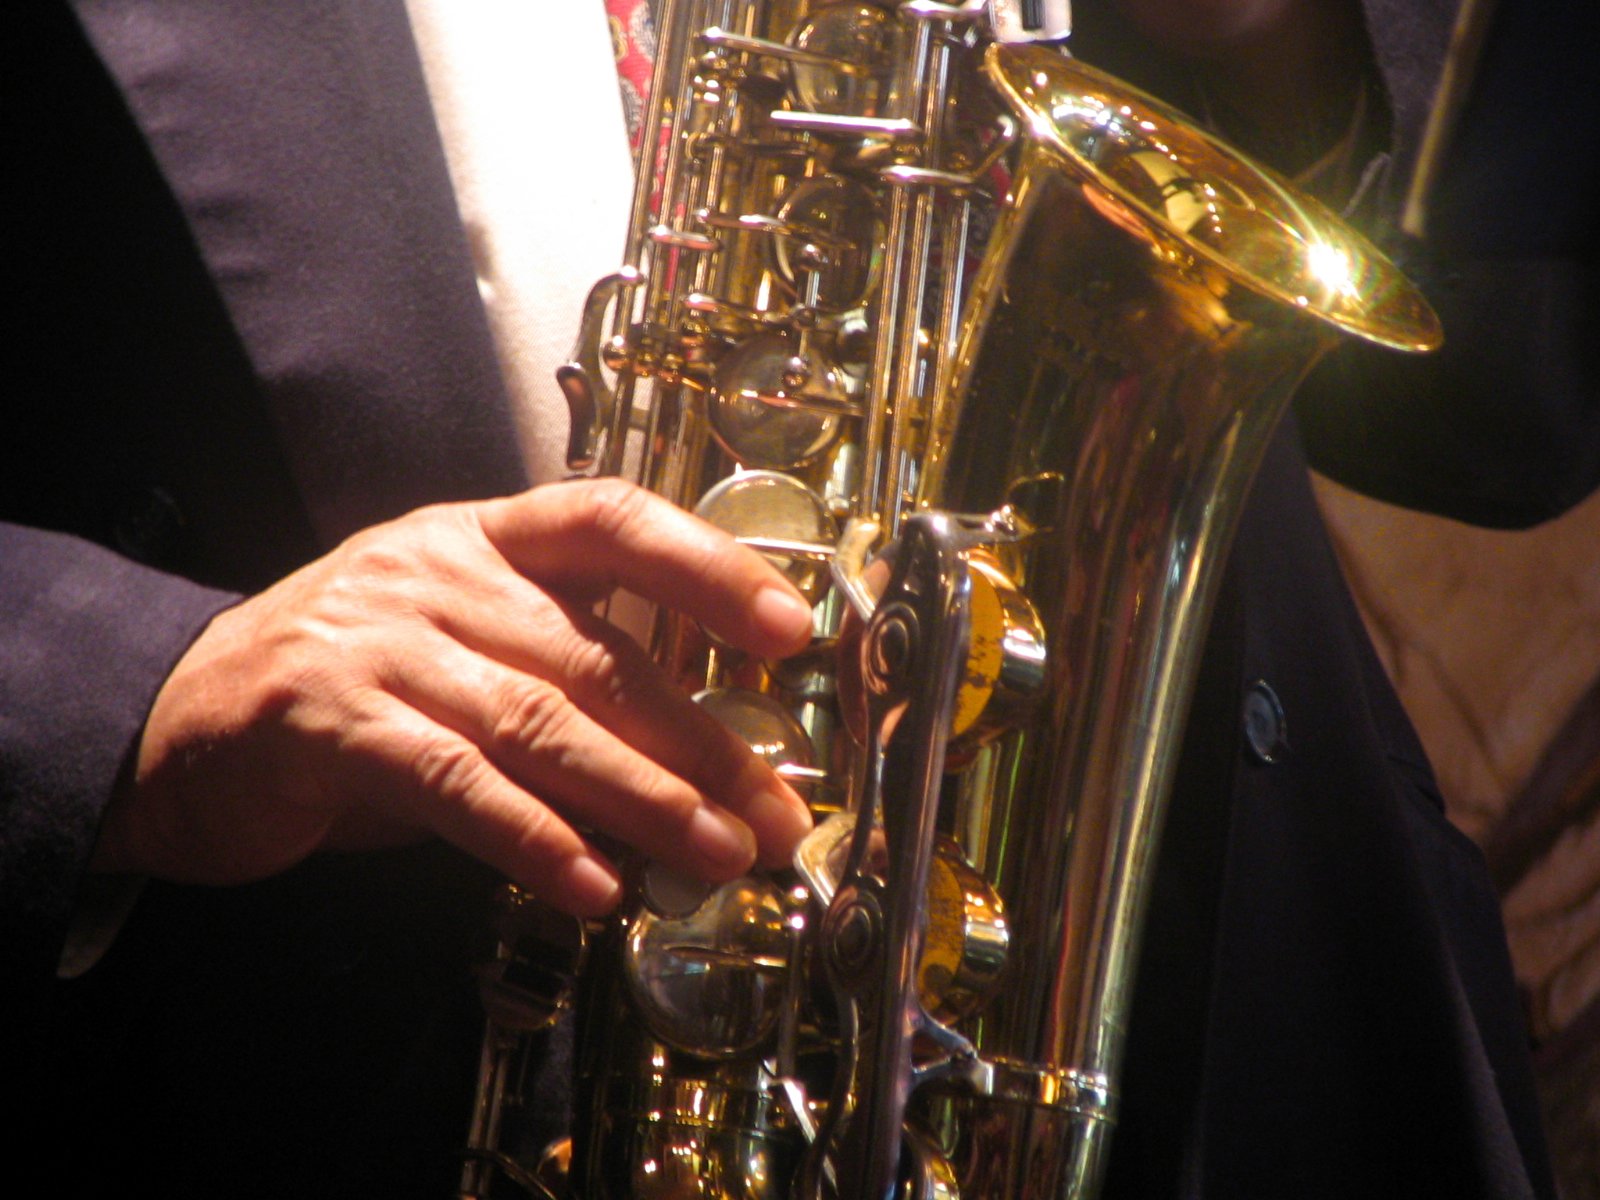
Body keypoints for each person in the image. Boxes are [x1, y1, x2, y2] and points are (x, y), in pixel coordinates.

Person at [3, 0, 1593, 1197]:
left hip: (1237, 1046)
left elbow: (1500, 407)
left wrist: (1276, 42)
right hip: (326, 1056)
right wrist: (139, 689)